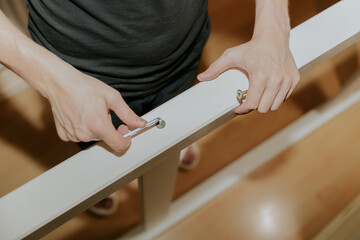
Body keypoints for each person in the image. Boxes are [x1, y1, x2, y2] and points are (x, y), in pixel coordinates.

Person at [0, 0, 299, 216]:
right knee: (96, 140)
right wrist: (50, 80)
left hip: (184, 42)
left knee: (176, 105)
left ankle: (170, 146)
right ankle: (104, 179)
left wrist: (274, 24)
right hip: (78, 72)